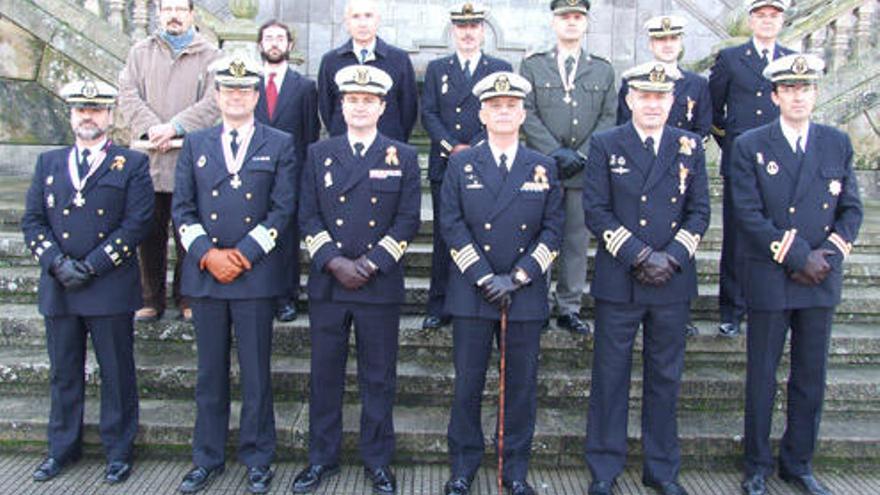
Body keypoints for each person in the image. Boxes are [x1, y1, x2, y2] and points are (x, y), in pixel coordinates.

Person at [731, 54, 863, 495]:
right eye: (789, 89)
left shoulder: (837, 142)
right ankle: (756, 465)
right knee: (762, 377)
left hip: (820, 277)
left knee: (809, 377)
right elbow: (747, 212)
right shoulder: (751, 144)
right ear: (774, 95)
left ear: (815, 93)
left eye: (804, 88)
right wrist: (795, 255)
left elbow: (851, 209)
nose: (797, 96)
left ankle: (798, 463)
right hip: (771, 275)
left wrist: (826, 255)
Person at [582, 63, 710, 495]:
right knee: (609, 377)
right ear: (630, 100)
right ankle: (604, 467)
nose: (653, 104)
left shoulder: (690, 146)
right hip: (621, 278)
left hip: (671, 280)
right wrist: (639, 254)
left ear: (671, 102)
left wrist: (670, 257)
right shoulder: (604, 144)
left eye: (661, 97)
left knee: (665, 377)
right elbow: (596, 210)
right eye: (645, 96)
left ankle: (662, 470)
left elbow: (700, 212)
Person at [293, 65, 421, 495]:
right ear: (341, 106)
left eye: (369, 100)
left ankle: (378, 460)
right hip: (330, 284)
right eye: (352, 100)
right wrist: (333, 261)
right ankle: (321, 458)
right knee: (324, 374)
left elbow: (406, 220)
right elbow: (307, 214)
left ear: (383, 107)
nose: (360, 107)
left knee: (378, 376)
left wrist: (368, 265)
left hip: (378, 284)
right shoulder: (319, 154)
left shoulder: (401, 155)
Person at [172, 57, 297, 494]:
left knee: (257, 375)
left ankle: (258, 457)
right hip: (205, 277)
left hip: (254, 276)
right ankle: (206, 458)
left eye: (245, 91)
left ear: (256, 96)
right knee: (209, 374)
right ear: (218, 96)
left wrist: (240, 256)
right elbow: (182, 208)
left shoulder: (279, 143)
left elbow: (282, 209)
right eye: (229, 91)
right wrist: (208, 255)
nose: (237, 97)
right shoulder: (196, 143)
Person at [23, 79, 154, 485]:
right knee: (64, 373)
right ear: (71, 115)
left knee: (116, 373)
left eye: (96, 110)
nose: (88, 116)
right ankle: (61, 448)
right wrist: (56, 263)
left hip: (108, 286)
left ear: (110, 117)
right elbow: (32, 220)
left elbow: (137, 223)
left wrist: (92, 265)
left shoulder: (131, 164)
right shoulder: (49, 162)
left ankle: (118, 451)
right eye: (81, 110)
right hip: (60, 287)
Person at [440, 71, 564, 495]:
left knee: (520, 388)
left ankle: (514, 470)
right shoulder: (461, 163)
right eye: (495, 106)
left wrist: (520, 276)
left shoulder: (543, 167)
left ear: (523, 113)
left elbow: (553, 230)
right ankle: (463, 466)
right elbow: (452, 225)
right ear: (482, 113)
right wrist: (482, 276)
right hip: (473, 292)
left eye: (511, 106)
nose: (504, 112)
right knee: (468, 384)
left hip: (522, 294)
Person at [118, 0, 220, 323]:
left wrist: (176, 127)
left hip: (189, 160)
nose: (173, 15)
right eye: (167, 9)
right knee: (149, 233)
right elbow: (128, 94)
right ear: (158, 13)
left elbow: (213, 102)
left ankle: (187, 297)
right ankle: (150, 298)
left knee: (188, 234)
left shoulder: (210, 55)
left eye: (180, 8)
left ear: (192, 14)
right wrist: (153, 129)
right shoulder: (140, 52)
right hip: (149, 159)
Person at [520, 0, 616, 335]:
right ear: (554, 21)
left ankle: (568, 307)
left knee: (575, 241)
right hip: (544, 170)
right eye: (565, 17)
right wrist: (554, 152)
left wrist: (584, 154)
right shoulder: (532, 66)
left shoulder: (602, 69)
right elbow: (527, 112)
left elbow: (609, 115)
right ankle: (537, 304)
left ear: (586, 23)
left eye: (578, 17)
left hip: (582, 171)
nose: (571, 23)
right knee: (540, 239)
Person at [617, 14, 711, 337]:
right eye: (661, 39)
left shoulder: (697, 84)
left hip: (681, 169)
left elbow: (703, 128)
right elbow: (620, 129)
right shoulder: (632, 82)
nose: (667, 44)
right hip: (638, 171)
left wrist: (673, 256)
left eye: (673, 39)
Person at [420, 2, 512, 330]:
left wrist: (472, 149)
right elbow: (428, 112)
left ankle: (472, 298)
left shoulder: (499, 68)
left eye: (474, 26)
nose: (468, 32)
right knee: (445, 236)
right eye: (462, 27)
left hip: (484, 164)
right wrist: (452, 148)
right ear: (454, 31)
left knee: (478, 233)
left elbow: (504, 111)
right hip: (446, 164)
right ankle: (438, 304)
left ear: (483, 31)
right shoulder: (437, 68)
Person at [709, 0, 793, 337]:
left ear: (782, 21)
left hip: (782, 165)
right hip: (741, 163)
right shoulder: (731, 58)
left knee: (778, 233)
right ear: (751, 20)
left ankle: (771, 305)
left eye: (774, 16)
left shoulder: (790, 59)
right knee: (736, 239)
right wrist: (734, 147)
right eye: (761, 15)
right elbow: (714, 110)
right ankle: (732, 309)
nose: (767, 21)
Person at [254, 19, 321, 322]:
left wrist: (306, 178)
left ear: (290, 45)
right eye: (269, 38)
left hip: (290, 176)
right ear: (260, 45)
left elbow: (309, 135)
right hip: (252, 176)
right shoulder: (247, 86)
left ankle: (286, 296)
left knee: (286, 240)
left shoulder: (305, 87)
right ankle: (259, 293)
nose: (274, 43)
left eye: (280, 37)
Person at [317, 0, 418, 142]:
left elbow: (409, 108)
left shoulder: (399, 59)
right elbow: (326, 108)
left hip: (387, 146)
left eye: (368, 16)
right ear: (347, 22)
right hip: (342, 145)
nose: (362, 23)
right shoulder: (331, 61)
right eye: (356, 16)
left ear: (378, 20)